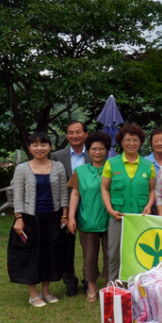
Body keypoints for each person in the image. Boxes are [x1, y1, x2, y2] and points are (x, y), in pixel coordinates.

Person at [9, 132, 69, 307]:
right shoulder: (22, 168)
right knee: (31, 254)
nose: (39, 148)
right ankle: (33, 294)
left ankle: (46, 291)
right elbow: (17, 196)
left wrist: (64, 215)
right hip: (30, 218)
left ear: (50, 147)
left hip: (53, 216)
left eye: (43, 144)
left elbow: (64, 193)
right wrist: (19, 218)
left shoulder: (57, 167)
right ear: (29, 148)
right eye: (35, 145)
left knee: (50, 253)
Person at [101, 124, 156, 282]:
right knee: (113, 253)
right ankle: (113, 285)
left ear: (140, 142)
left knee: (138, 250)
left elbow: (152, 190)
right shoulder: (111, 163)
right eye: (127, 140)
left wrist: (148, 205)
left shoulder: (148, 165)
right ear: (121, 142)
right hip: (118, 215)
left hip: (140, 216)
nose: (131, 143)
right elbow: (104, 189)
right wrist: (110, 210)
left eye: (135, 140)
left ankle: (137, 284)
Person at [67, 131, 111, 302]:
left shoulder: (113, 169)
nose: (97, 152)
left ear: (107, 150)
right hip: (87, 219)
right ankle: (91, 286)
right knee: (89, 255)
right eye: (94, 149)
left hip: (110, 219)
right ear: (88, 150)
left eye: (101, 149)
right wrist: (71, 217)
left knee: (111, 254)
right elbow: (75, 194)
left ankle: (109, 284)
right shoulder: (80, 171)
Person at [51, 120, 90, 296]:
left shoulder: (95, 153)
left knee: (90, 246)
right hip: (65, 207)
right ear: (67, 135)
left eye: (78, 132)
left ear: (85, 134)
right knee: (66, 247)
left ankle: (89, 279)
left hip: (91, 206)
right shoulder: (57, 156)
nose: (75, 135)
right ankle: (70, 281)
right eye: (71, 132)